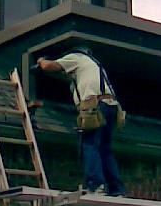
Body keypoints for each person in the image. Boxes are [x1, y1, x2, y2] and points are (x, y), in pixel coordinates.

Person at [36, 48, 126, 196]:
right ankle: (117, 189)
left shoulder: (76, 57)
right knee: (104, 149)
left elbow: (48, 66)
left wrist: (41, 61)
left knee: (89, 144)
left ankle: (96, 185)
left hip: (95, 106)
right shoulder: (95, 66)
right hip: (111, 107)